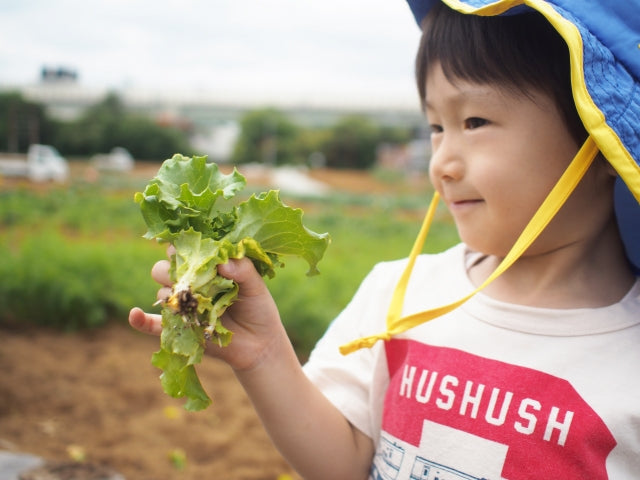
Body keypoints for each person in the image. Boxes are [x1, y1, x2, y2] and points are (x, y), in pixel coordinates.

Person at [129, 1, 640, 478]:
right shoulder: (399, 291)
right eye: (437, 127)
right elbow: (346, 460)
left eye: (475, 121)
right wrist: (264, 357)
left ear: (604, 138)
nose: (441, 163)